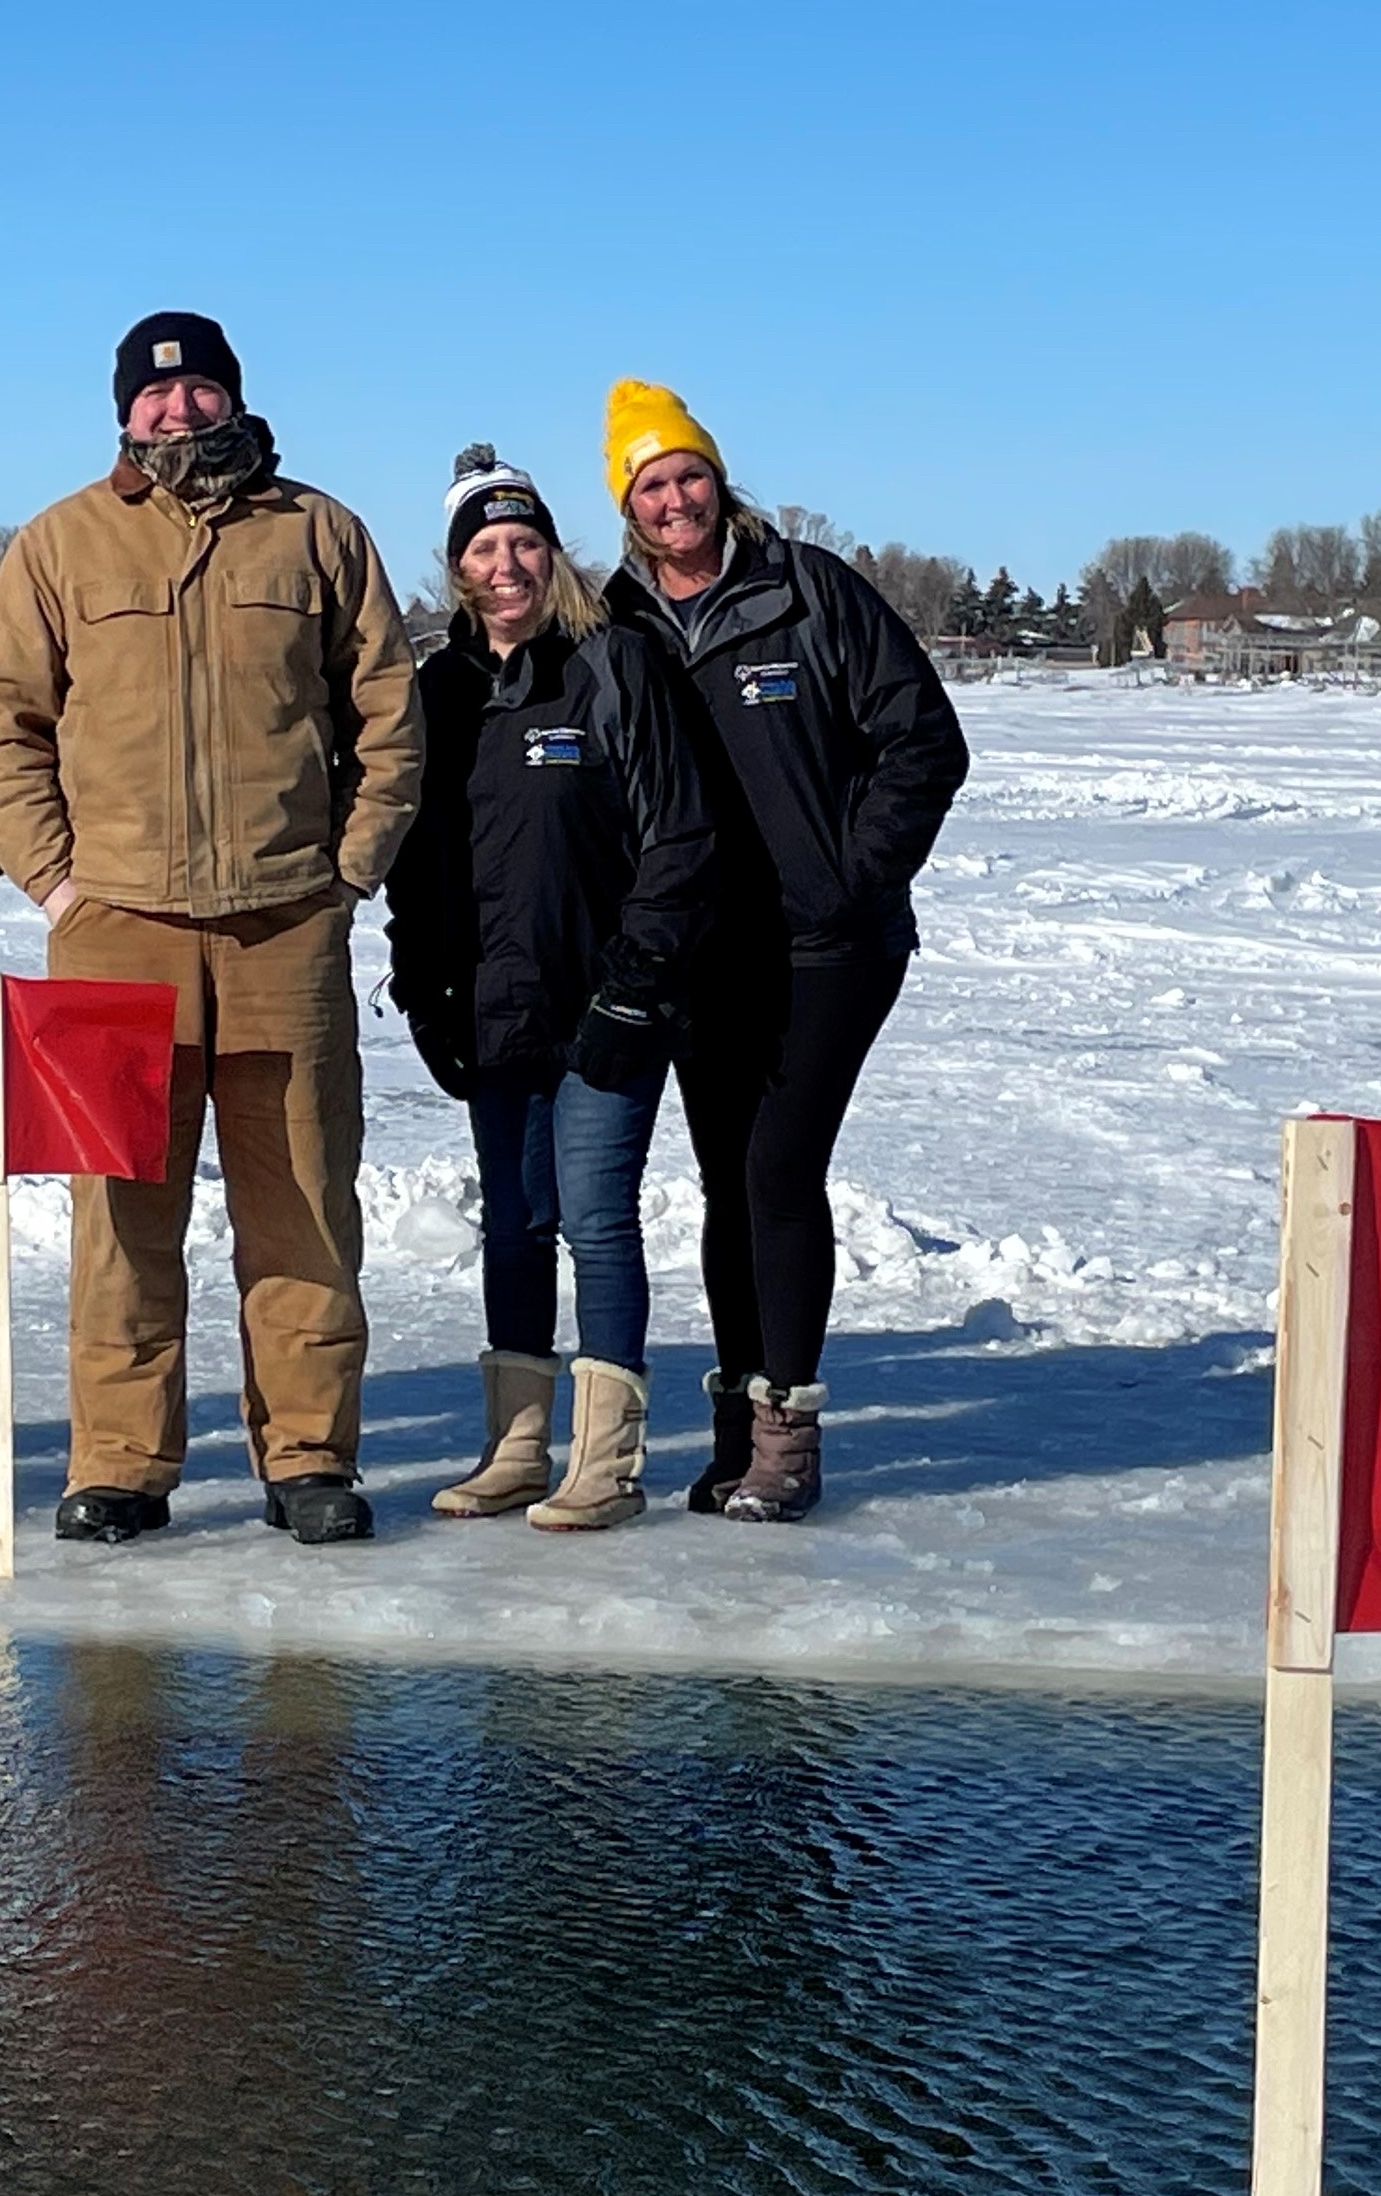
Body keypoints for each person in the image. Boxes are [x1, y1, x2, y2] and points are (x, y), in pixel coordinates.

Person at [0, 310, 427, 1547]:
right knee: (121, 1216)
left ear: (233, 399)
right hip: (116, 930)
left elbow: (388, 713)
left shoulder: (318, 533)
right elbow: (2, 728)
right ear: (125, 413)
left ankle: (311, 1456)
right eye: (156, 399)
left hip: (287, 928)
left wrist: (349, 872)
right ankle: (119, 1462)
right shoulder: (62, 543)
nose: (178, 413)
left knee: (307, 1205)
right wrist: (61, 889)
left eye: (200, 391)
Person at [599, 378, 967, 1519]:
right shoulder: (617, 620)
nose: (675, 500)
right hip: (706, 947)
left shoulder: (809, 590)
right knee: (723, 1186)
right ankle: (731, 1434)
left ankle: (787, 1436)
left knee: (776, 1169)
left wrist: (850, 884)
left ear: (721, 480)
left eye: (689, 475)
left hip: (828, 943)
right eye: (651, 484)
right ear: (627, 503)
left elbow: (924, 741)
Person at [385, 447, 717, 1531]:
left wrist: (637, 986)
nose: (507, 563)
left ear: (552, 553)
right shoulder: (440, 689)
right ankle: (517, 1445)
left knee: (596, 1220)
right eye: (484, 547)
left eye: (524, 542)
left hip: (604, 1005)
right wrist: (423, 987)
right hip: (493, 1006)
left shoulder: (611, 664)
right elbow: (422, 865)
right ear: (458, 568)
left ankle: (604, 1461)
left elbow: (679, 838)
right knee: (516, 1225)